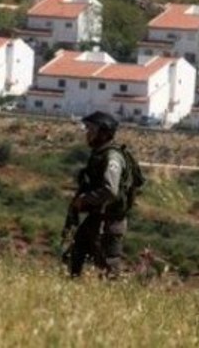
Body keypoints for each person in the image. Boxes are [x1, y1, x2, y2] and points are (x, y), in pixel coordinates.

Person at [66, 111, 132, 279]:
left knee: (109, 269)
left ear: (103, 133)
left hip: (109, 222)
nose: (87, 134)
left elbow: (110, 190)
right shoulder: (99, 154)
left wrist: (85, 199)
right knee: (76, 255)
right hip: (96, 219)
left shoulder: (112, 157)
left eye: (91, 130)